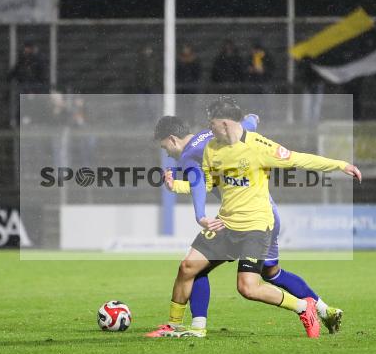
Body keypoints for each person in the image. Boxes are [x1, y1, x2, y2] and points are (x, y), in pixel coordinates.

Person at [150, 97, 360, 339]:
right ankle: (323, 310)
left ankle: (307, 307)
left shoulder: (253, 148)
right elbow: (207, 181)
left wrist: (340, 165)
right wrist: (176, 186)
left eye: (212, 124)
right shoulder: (212, 146)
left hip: (258, 223)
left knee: (248, 286)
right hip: (228, 221)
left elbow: (299, 158)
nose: (209, 128)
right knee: (198, 267)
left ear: (225, 123)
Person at [8, 41, 49, 126]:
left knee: (32, 105)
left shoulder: (38, 59)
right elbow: (16, 70)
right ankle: (22, 121)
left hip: (34, 87)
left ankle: (32, 121)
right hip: (26, 86)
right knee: (24, 105)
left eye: (27, 48)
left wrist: (34, 89)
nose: (25, 50)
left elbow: (42, 76)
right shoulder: (24, 59)